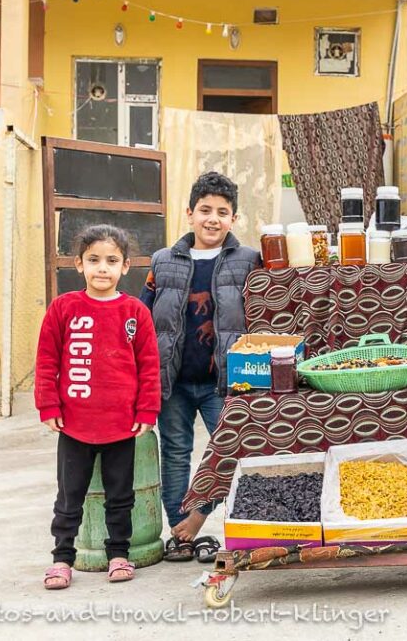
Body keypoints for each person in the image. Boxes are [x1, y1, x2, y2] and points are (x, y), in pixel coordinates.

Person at [140, 171, 261, 562]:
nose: (213, 219)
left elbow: (264, 313)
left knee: (229, 450)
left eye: (222, 212)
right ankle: (181, 535)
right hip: (172, 380)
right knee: (175, 452)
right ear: (189, 213)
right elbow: (142, 317)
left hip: (223, 382)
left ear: (234, 219)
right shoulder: (163, 261)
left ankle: (194, 520)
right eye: (205, 210)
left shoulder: (249, 261)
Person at [36, 225, 160, 590]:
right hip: (74, 425)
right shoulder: (64, 308)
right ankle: (62, 559)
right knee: (69, 496)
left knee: (121, 495)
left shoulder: (135, 312)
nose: (102, 268)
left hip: (121, 425)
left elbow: (149, 367)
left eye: (111, 260)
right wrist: (48, 405)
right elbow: (46, 361)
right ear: (78, 264)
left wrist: (146, 412)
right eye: (93, 260)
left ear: (125, 267)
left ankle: (118, 554)